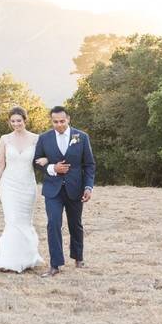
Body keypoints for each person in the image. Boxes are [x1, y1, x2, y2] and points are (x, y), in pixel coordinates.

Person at [33, 106, 96, 277]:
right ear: (51, 121)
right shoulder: (44, 138)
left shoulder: (81, 137)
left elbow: (89, 165)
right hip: (53, 189)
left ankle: (78, 257)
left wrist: (88, 187)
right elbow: (36, 163)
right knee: (53, 224)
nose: (59, 124)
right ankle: (55, 265)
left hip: (75, 188)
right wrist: (53, 167)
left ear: (68, 119)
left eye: (62, 121)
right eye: (55, 122)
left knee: (75, 224)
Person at [0, 107, 44, 273]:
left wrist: (46, 159)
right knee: (12, 219)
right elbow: (0, 164)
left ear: (25, 120)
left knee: (24, 221)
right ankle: (8, 261)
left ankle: (26, 259)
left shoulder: (36, 139)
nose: (16, 124)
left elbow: (44, 157)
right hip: (9, 185)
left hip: (27, 185)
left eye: (19, 120)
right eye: (13, 121)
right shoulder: (5, 139)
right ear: (9, 122)